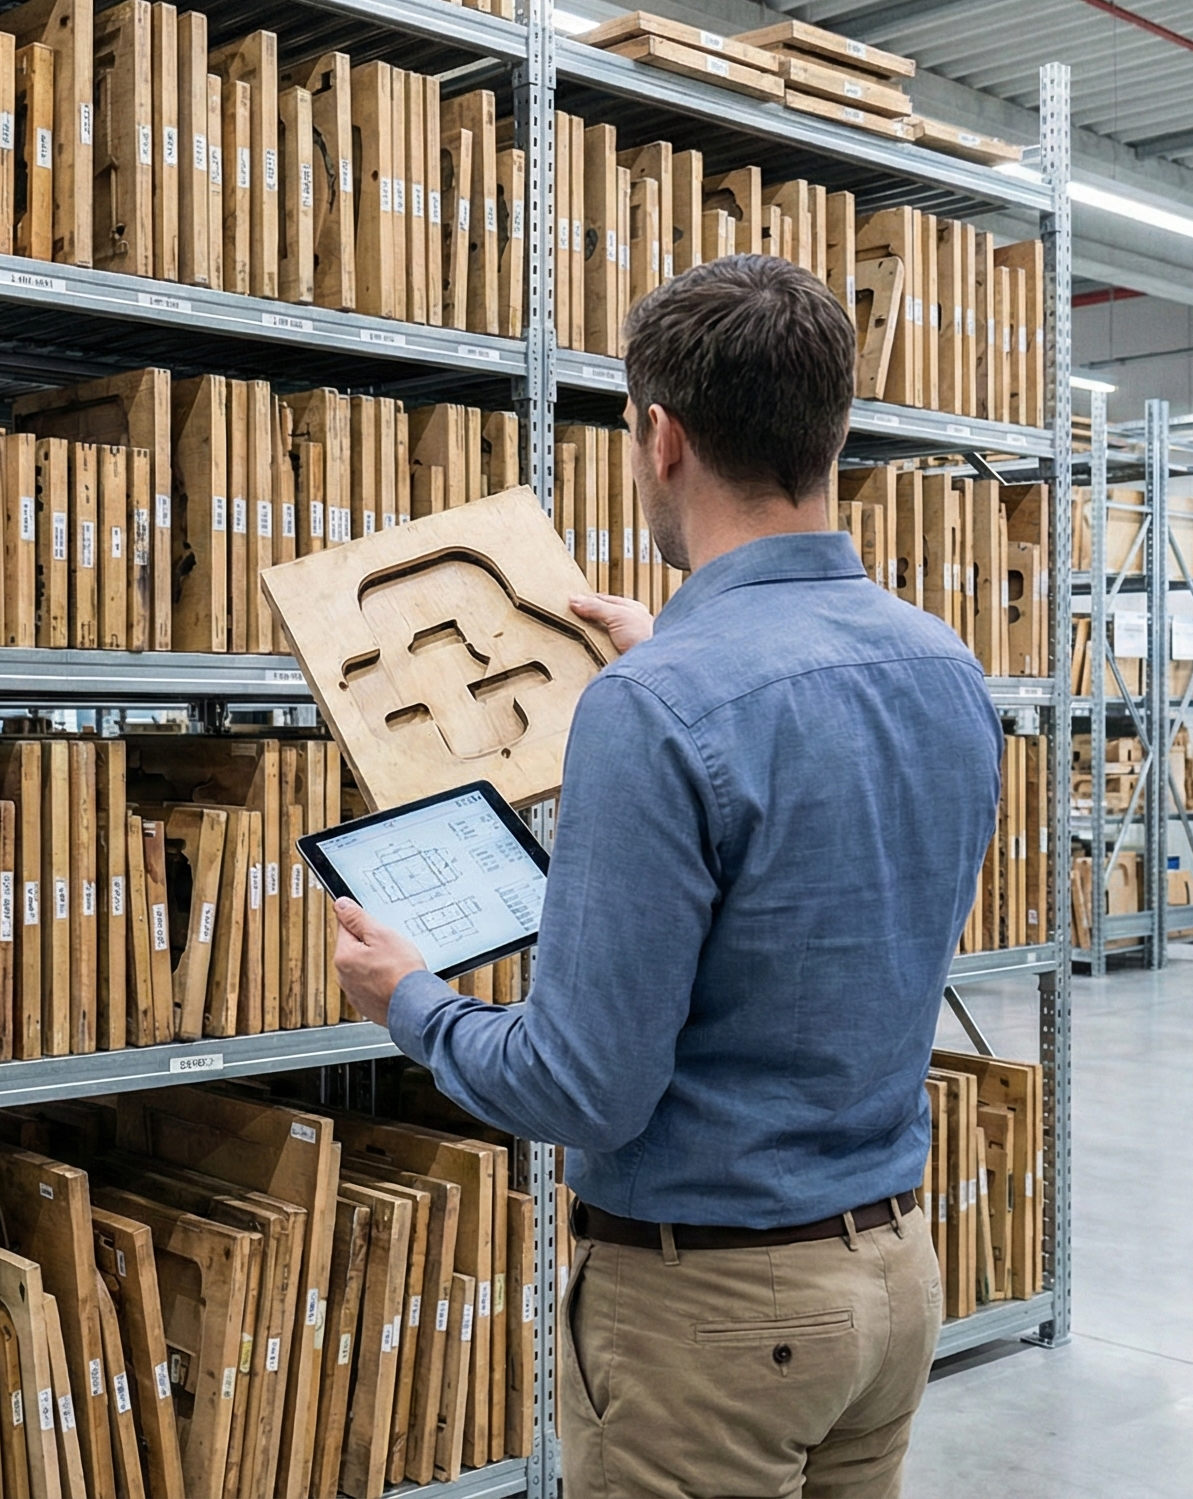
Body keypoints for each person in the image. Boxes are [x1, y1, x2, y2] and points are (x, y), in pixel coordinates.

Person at [330, 253, 1005, 1499]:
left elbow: (583, 1084)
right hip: (894, 1277)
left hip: (712, 1318)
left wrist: (409, 1002)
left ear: (658, 437)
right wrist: (676, 650)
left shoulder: (655, 711)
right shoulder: (941, 667)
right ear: (835, 429)